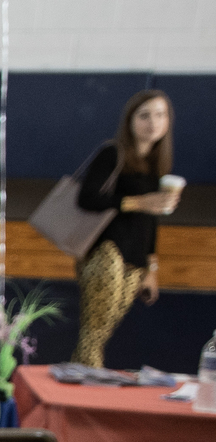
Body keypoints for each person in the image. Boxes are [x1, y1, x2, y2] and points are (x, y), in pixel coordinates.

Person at [72, 89, 181, 368]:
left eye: (160, 115)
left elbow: (151, 221)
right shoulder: (113, 152)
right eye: (144, 116)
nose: (153, 123)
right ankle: (88, 385)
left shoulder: (157, 164)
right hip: (106, 251)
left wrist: (151, 269)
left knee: (100, 333)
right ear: (130, 120)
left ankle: (78, 377)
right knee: (94, 332)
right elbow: (87, 198)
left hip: (135, 259)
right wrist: (140, 202)